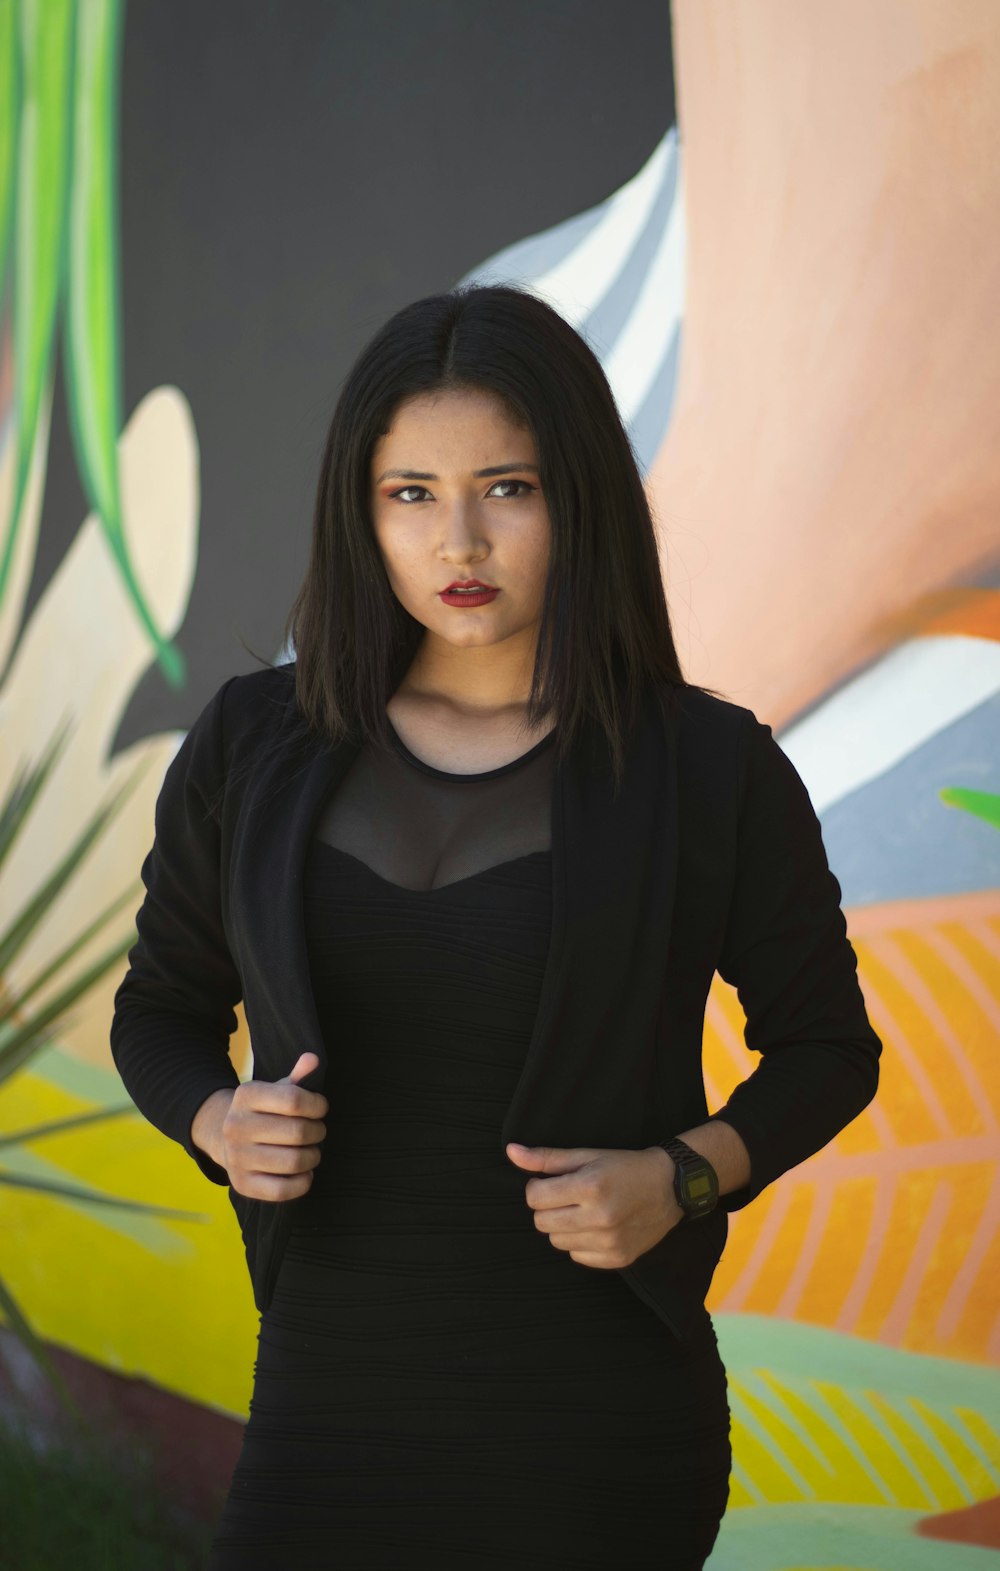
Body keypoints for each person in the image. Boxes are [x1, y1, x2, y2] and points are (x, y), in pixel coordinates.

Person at [110, 282, 882, 1570]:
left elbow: (827, 1050)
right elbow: (161, 1013)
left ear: (576, 496)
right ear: (360, 512)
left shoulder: (706, 766)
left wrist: (684, 1176)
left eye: (506, 488)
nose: (457, 539)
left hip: (592, 1426)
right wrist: (215, 1121)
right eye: (410, 493)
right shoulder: (255, 745)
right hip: (326, 1403)